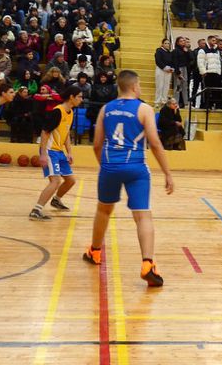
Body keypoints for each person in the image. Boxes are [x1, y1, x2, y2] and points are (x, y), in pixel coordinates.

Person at [83, 70, 175, 288]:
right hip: (135, 167)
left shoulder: (106, 109)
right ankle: (147, 264)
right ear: (134, 86)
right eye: (139, 85)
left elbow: (97, 144)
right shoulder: (144, 109)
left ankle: (95, 251)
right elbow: (155, 143)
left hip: (109, 165)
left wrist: (105, 166)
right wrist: (168, 173)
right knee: (143, 216)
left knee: (103, 210)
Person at [30, 86, 83, 220]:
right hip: (49, 150)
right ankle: (36, 210)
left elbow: (66, 134)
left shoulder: (70, 112)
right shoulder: (57, 111)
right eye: (79, 97)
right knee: (55, 181)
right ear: (71, 97)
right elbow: (45, 132)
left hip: (59, 151)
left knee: (70, 180)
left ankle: (56, 200)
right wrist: (43, 154)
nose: (81, 99)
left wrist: (69, 152)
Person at [153, 38, 175, 106]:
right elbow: (158, 61)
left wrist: (172, 68)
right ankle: (157, 102)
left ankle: (164, 101)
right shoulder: (159, 50)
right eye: (165, 43)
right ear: (162, 44)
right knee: (159, 86)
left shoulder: (170, 53)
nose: (167, 45)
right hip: (160, 69)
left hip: (168, 70)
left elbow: (172, 61)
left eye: (168, 43)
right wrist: (165, 68)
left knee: (166, 86)